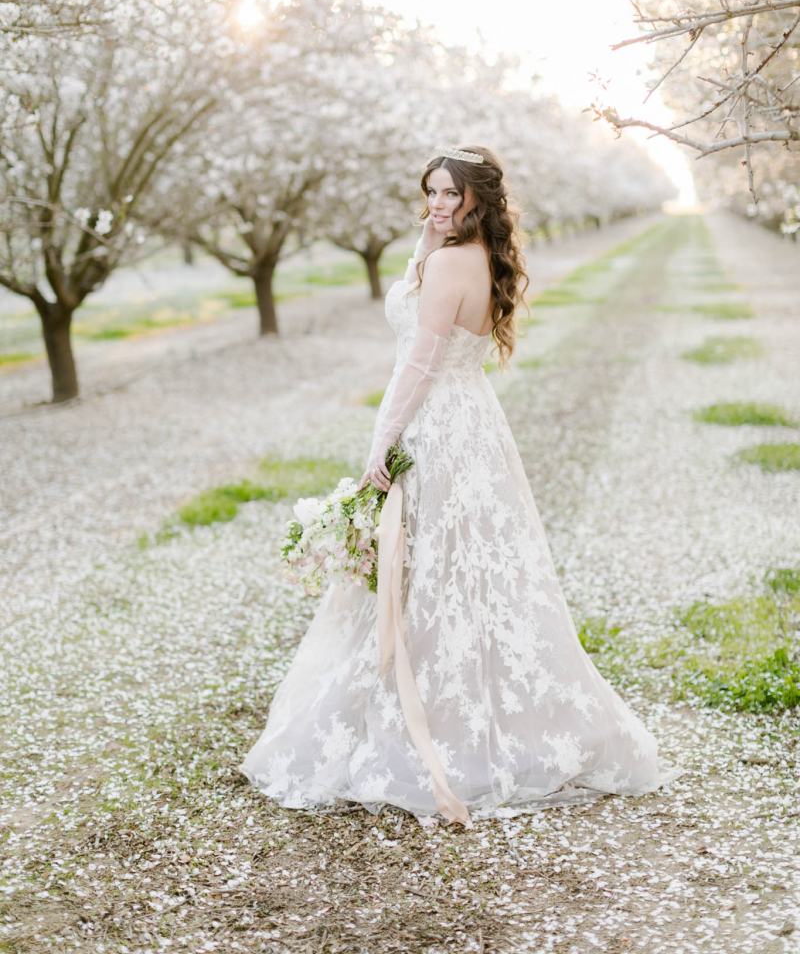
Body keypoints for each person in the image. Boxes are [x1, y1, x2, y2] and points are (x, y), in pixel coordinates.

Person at [241, 146, 679, 827]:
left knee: (429, 571)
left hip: (437, 426)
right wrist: (430, 236)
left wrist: (382, 439)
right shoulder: (475, 257)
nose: (439, 205)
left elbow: (417, 363)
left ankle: (433, 722)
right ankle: (470, 706)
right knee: (465, 571)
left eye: (452, 195)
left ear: (479, 199)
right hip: (474, 423)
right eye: (431, 193)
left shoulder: (447, 264)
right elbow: (430, 320)